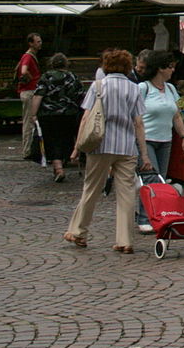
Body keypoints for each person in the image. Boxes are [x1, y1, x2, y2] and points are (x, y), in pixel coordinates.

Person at [64, 49, 153, 253]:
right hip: (127, 147)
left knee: (91, 189)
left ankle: (79, 231)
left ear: (106, 65)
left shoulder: (98, 86)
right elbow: (138, 123)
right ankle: (125, 240)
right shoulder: (133, 89)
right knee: (126, 194)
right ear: (128, 67)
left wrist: (77, 147)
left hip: (100, 145)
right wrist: (144, 154)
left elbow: (86, 118)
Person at [134, 50, 184, 233]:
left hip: (165, 140)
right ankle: (145, 218)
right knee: (151, 179)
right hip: (146, 139)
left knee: (160, 181)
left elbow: (176, 116)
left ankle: (159, 214)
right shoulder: (143, 88)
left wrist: (183, 137)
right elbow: (136, 117)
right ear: (160, 69)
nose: (173, 71)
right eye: (170, 67)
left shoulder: (171, 89)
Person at [30, 53, 84, 182]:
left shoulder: (46, 77)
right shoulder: (73, 77)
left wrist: (33, 114)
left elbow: (38, 96)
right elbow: (81, 96)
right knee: (65, 138)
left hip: (49, 115)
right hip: (68, 114)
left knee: (51, 140)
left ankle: (58, 167)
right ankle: (63, 162)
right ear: (66, 64)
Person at [16, 33, 42, 160]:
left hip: (30, 91)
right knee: (28, 121)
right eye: (37, 41)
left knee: (30, 121)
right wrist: (31, 78)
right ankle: (27, 150)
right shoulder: (28, 56)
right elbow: (24, 71)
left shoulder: (31, 56)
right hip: (29, 91)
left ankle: (30, 149)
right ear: (31, 43)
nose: (40, 43)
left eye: (40, 41)